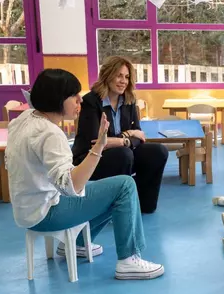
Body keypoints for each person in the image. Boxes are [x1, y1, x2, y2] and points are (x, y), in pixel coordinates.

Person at [6, 69, 164, 280]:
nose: (79, 99)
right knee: (124, 186)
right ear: (58, 99)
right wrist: (99, 146)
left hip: (26, 210)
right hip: (46, 213)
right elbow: (72, 186)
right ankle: (129, 259)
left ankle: (79, 243)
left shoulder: (24, 119)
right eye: (74, 95)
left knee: (110, 190)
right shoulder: (51, 133)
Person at [72, 56, 168, 214]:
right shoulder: (91, 101)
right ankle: (118, 207)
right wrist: (127, 137)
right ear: (108, 75)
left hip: (123, 154)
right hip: (90, 159)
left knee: (158, 151)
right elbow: (96, 142)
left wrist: (124, 139)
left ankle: (144, 204)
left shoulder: (129, 100)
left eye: (127, 77)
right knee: (124, 154)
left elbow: (140, 136)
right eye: (119, 75)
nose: (123, 81)